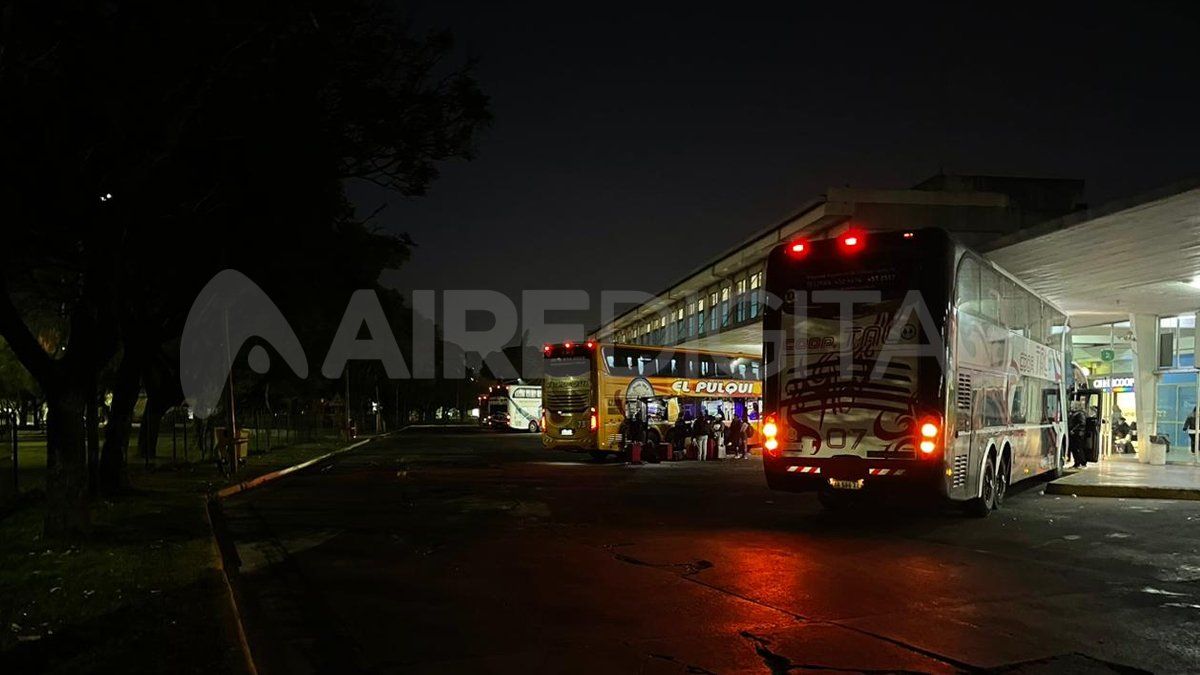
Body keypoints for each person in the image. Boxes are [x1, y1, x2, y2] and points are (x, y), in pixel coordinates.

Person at [1068, 400, 1088, 468]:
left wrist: (1074, 430)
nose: (1071, 406)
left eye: (1073, 405)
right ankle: (1076, 463)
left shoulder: (1080, 414)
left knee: (1078, 448)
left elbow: (1081, 423)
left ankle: (1082, 462)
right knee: (1074, 449)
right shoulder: (1074, 413)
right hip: (1074, 434)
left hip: (1078, 434)